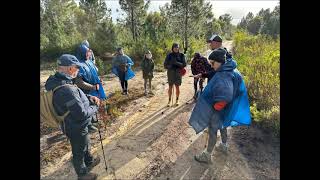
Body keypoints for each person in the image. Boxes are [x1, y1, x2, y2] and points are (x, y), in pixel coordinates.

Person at [189, 48, 251, 164]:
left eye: (213, 63)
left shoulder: (223, 75)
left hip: (219, 108)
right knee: (223, 125)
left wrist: (215, 107)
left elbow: (225, 96)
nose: (211, 66)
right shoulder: (231, 68)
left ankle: (207, 155)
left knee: (213, 129)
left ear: (220, 61)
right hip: (228, 107)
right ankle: (224, 145)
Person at [45, 54, 101, 180]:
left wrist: (88, 97)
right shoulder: (66, 90)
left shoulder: (56, 80)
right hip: (75, 126)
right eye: (77, 68)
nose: (78, 70)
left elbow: (74, 97)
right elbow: (81, 114)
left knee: (85, 142)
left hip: (73, 124)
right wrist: (95, 107)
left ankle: (89, 161)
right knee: (79, 150)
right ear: (70, 68)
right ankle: (82, 174)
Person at [74, 40, 107, 133]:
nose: (89, 54)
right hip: (88, 90)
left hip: (96, 86)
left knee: (98, 103)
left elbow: (94, 72)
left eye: (89, 53)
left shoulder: (89, 61)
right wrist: (92, 87)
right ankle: (89, 125)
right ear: (82, 53)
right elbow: (79, 82)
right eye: (87, 53)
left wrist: (99, 79)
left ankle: (95, 121)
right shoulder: (78, 65)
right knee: (89, 105)